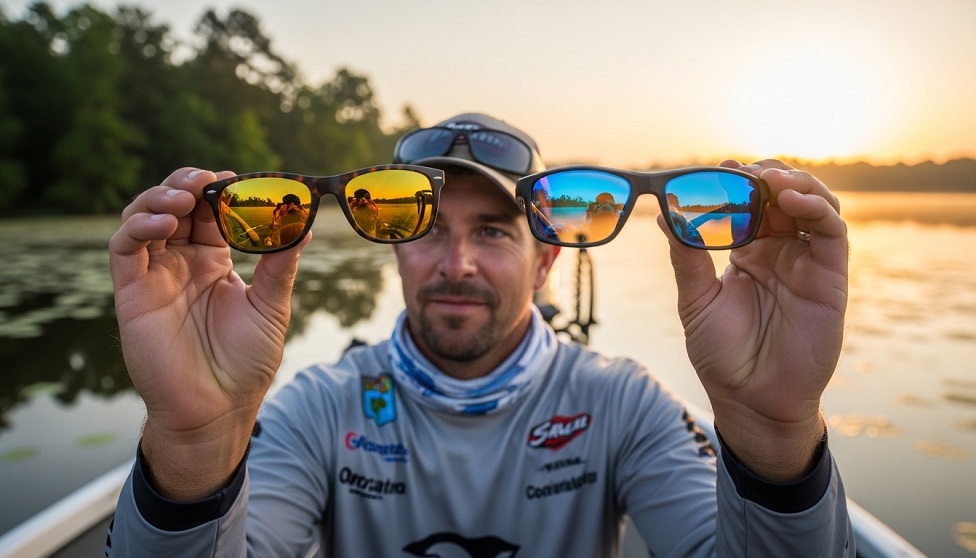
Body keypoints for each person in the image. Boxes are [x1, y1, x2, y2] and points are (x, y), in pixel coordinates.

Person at [107, 112, 853, 556]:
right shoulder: (320, 408)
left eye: (493, 231)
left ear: (545, 260)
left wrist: (773, 434)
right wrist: (195, 443)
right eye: (426, 228)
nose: (455, 263)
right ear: (395, 248)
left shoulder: (624, 404)